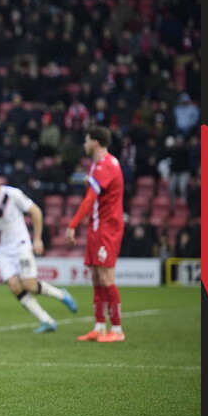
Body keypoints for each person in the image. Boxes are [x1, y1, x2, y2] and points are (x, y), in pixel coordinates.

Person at [0, 168, 77, 333]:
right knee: (14, 287)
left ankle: (61, 295)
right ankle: (47, 321)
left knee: (30, 285)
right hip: (4, 250)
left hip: (21, 244)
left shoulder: (12, 195)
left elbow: (36, 212)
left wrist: (37, 239)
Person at [65, 125, 126, 343]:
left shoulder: (106, 165)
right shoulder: (97, 165)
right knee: (96, 277)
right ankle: (100, 326)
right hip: (97, 227)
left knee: (106, 277)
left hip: (107, 228)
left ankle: (117, 329)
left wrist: (72, 224)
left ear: (95, 143)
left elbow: (90, 198)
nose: (84, 144)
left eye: (86, 140)